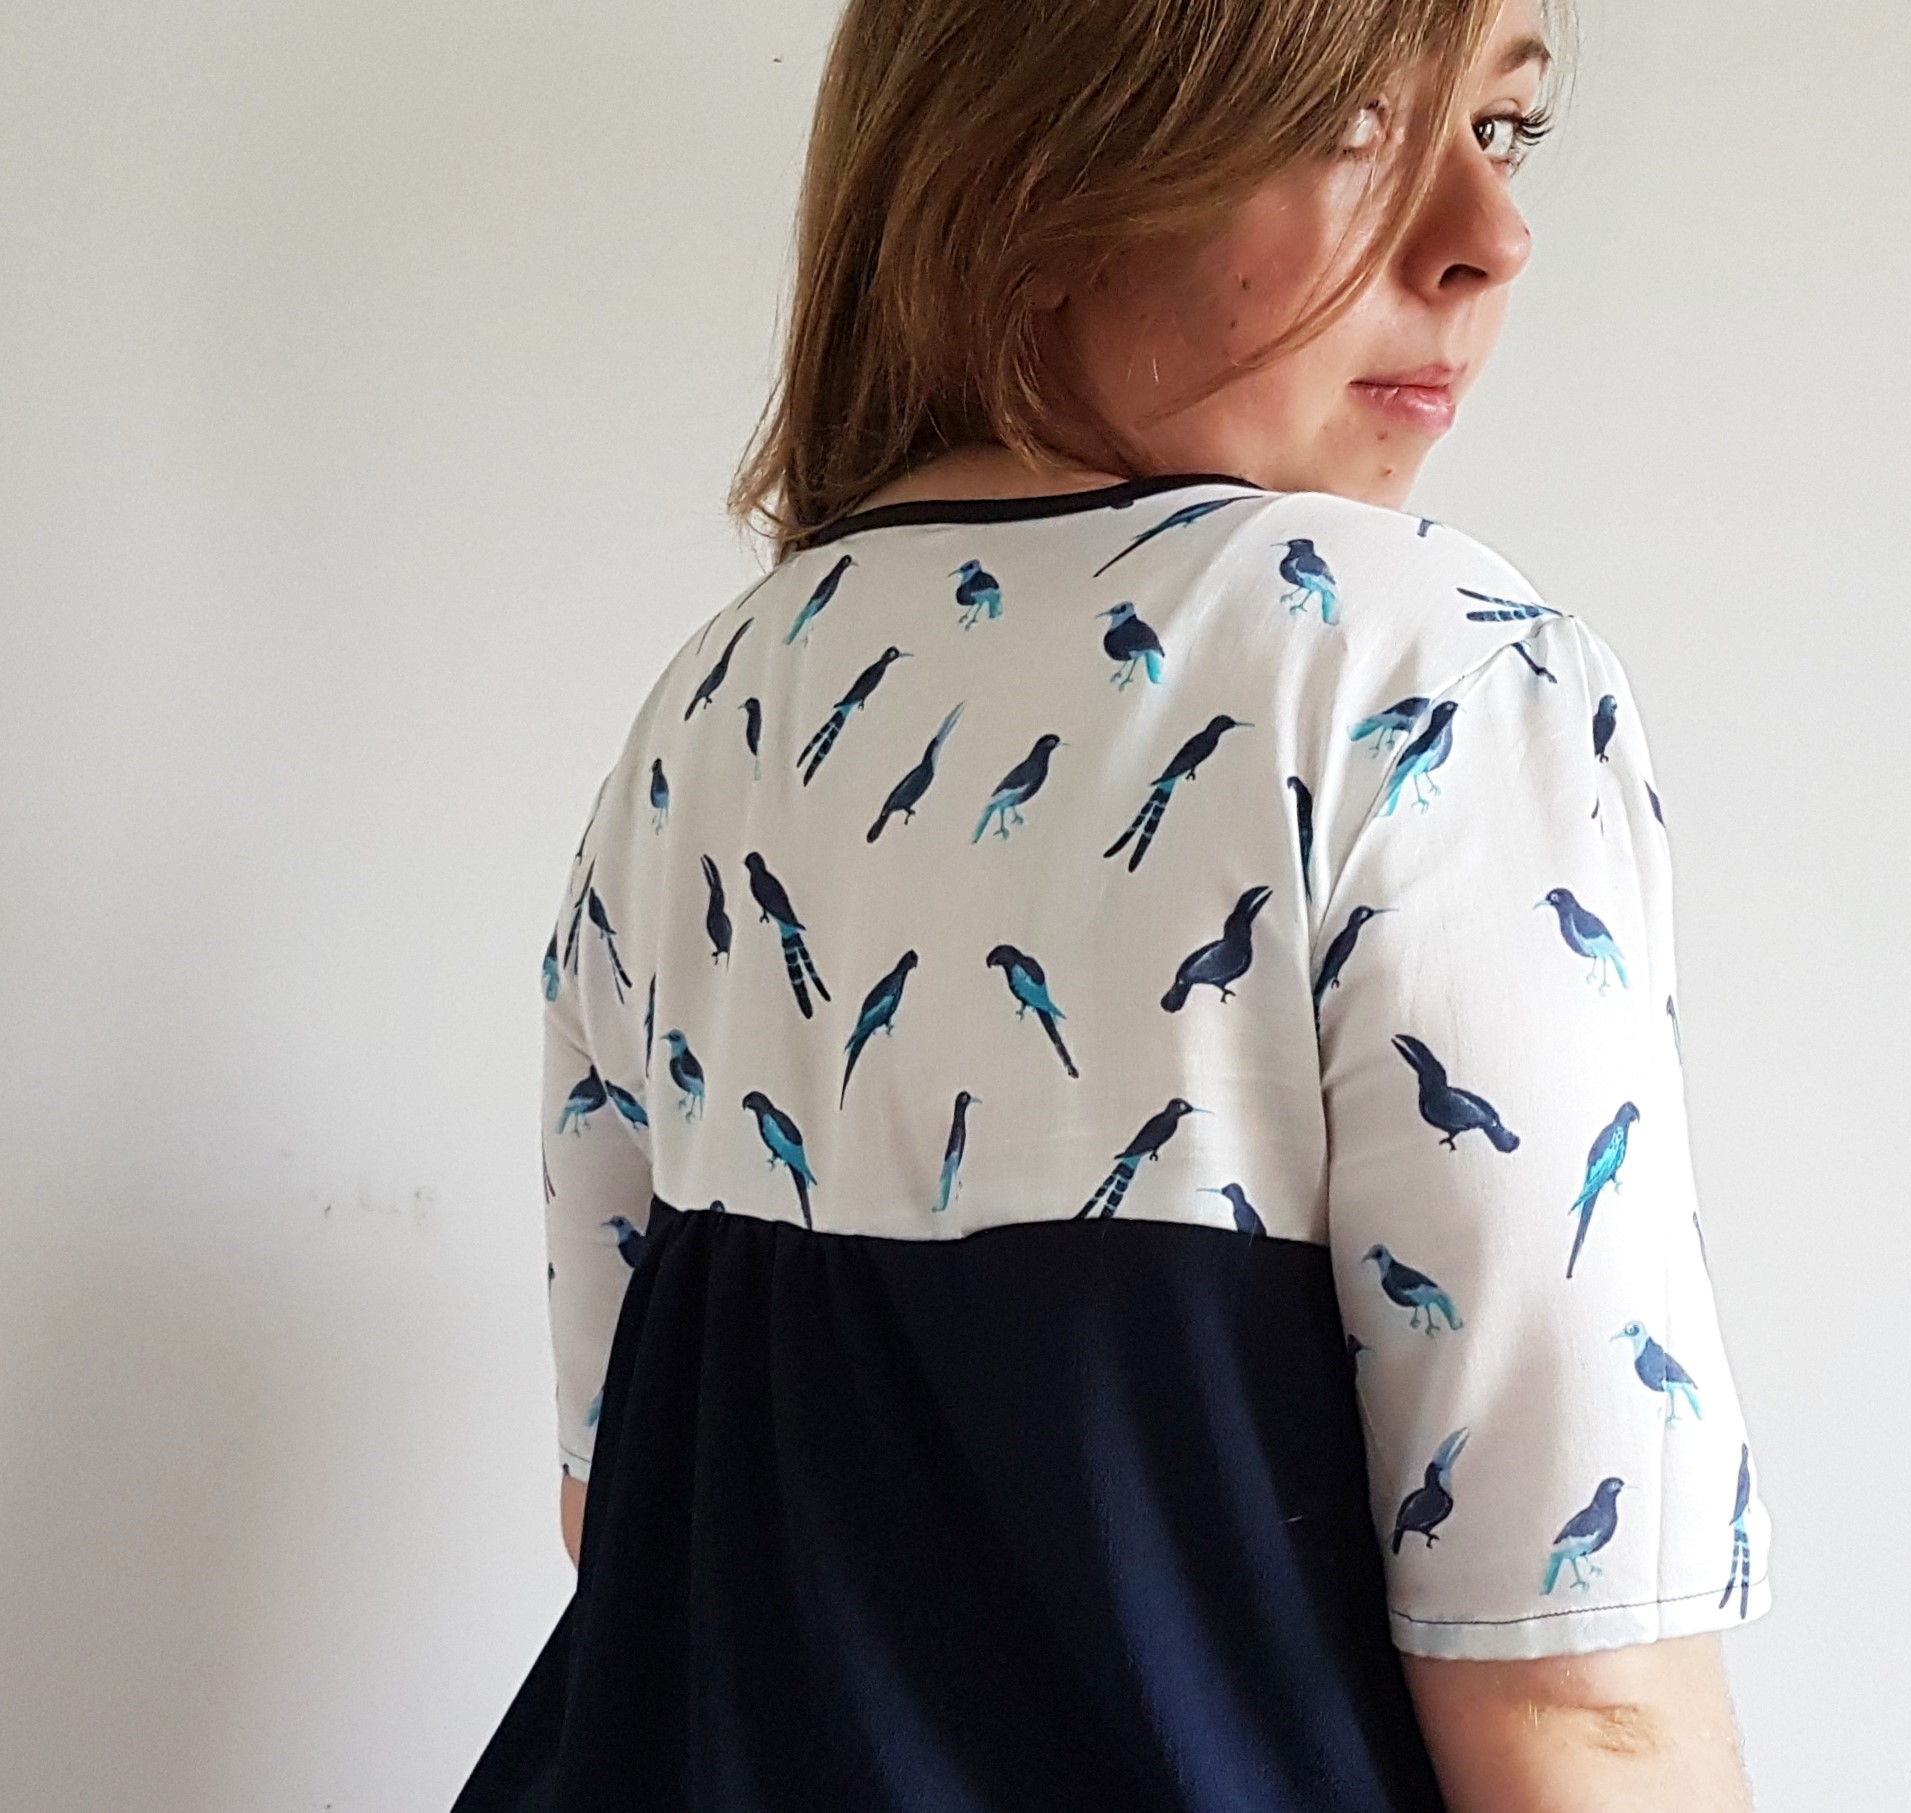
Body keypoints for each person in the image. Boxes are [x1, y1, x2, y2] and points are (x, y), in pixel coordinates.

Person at [453, 0, 1772, 1807]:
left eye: (1503, 130)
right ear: (1046, 158)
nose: (1492, 235)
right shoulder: (1418, 678)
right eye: (1354, 122)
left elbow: (615, 1518)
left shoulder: (715, 706)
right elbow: (1576, 1690)